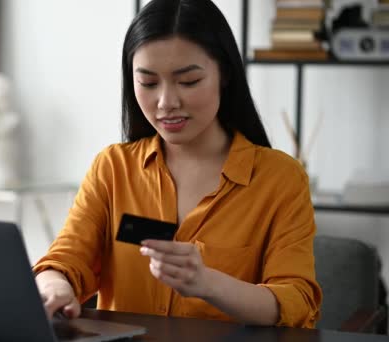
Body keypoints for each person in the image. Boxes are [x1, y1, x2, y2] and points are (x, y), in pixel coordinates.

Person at [33, 0, 322, 328]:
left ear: (224, 73)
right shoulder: (112, 168)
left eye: (188, 82)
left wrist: (208, 283)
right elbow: (64, 261)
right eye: (149, 83)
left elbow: (296, 302)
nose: (166, 102)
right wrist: (54, 286)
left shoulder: (280, 179)